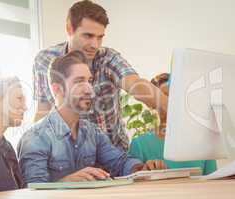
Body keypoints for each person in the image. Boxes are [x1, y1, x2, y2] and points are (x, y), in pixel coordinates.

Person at [33, 0, 168, 152]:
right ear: (69, 28)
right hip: (70, 156)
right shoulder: (45, 60)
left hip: (113, 155)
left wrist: (170, 107)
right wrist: (34, 146)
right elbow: (43, 110)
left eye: (100, 37)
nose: (95, 45)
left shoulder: (108, 58)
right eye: (88, 36)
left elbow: (134, 83)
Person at [18, 51, 166, 184]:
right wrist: (65, 182)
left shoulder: (92, 132)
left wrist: (141, 168)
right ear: (57, 89)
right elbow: (32, 191)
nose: (89, 89)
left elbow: (119, 163)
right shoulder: (35, 138)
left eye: (89, 81)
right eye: (79, 81)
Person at [129, 73, 217, 175]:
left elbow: (214, 183)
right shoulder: (140, 145)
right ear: (152, 104)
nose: (170, 102)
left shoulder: (203, 144)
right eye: (164, 96)